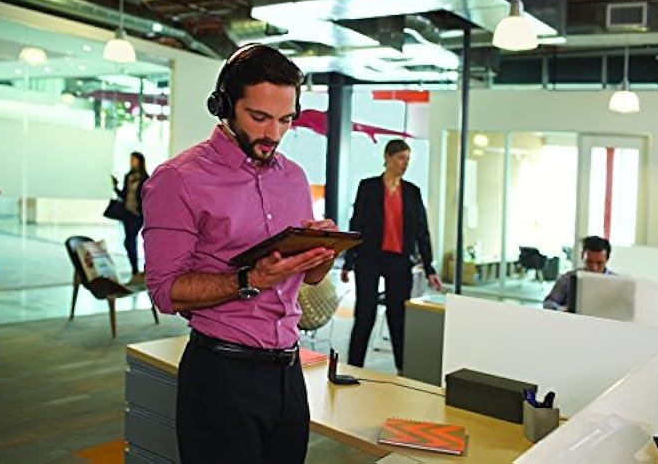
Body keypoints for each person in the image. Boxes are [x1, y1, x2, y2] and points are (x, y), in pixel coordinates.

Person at [142, 44, 337, 464]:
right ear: (225, 107)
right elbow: (164, 291)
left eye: (285, 120)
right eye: (259, 117)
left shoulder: (294, 177)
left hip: (289, 372)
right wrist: (252, 279)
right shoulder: (178, 179)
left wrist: (321, 256)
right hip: (221, 375)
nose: (273, 134)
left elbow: (307, 279)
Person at [341, 139, 442, 372]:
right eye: (400, 158)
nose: (405, 164)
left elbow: (422, 232)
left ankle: (402, 370)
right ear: (387, 157)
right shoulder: (368, 187)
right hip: (369, 258)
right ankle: (353, 368)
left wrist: (429, 268)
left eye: (408, 159)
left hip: (399, 261)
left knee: (398, 317)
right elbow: (356, 225)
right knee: (365, 314)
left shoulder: (412, 192)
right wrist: (348, 261)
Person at [543, 235, 613, 311]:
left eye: (599, 263)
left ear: (607, 259)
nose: (594, 268)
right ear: (582, 256)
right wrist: (564, 310)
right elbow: (548, 303)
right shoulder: (568, 278)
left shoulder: (615, 282)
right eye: (589, 262)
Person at [111, 152, 148, 277]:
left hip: (138, 215)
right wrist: (115, 187)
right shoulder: (128, 176)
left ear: (140, 161)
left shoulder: (145, 178)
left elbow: (147, 196)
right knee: (130, 241)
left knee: (129, 240)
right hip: (127, 213)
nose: (131, 162)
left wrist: (141, 208)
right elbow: (124, 195)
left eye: (134, 160)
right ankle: (134, 269)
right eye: (131, 159)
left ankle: (136, 269)